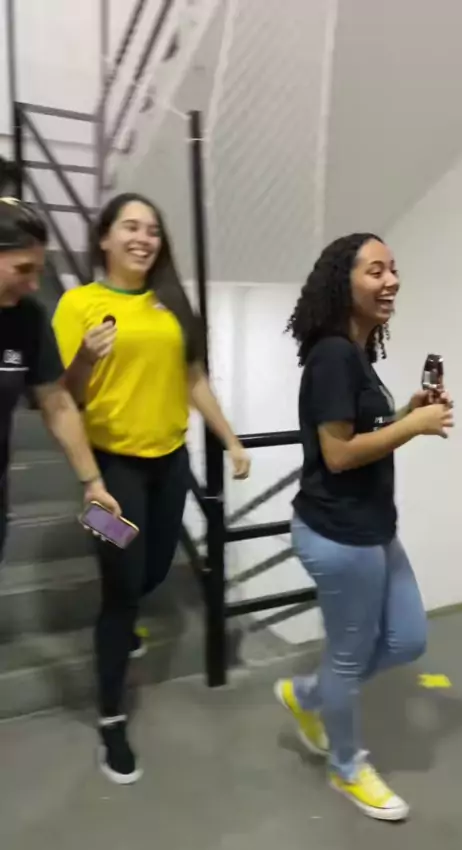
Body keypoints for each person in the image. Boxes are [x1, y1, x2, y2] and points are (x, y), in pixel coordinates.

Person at [52, 192, 250, 785]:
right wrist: (85, 359)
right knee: (120, 591)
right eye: (131, 227)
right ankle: (112, 719)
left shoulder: (171, 305)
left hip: (170, 463)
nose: (144, 238)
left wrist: (231, 440)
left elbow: (194, 379)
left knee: (156, 568)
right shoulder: (78, 304)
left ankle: (124, 591)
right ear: (104, 238)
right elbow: (62, 398)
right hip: (112, 470)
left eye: (153, 230)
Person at [275, 233, 453, 821]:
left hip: (373, 526)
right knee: (348, 660)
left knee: (407, 639)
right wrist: (415, 427)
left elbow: (362, 430)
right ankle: (347, 767)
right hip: (338, 534)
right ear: (343, 283)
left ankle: (306, 694)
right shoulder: (332, 355)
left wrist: (404, 412)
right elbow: (338, 455)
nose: (391, 280)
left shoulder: (356, 355)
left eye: (393, 269)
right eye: (376, 271)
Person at [0, 193, 120, 565]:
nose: (34, 284)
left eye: (39, 270)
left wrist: (92, 482)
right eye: (23, 269)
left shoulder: (28, 318)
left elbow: (56, 402)